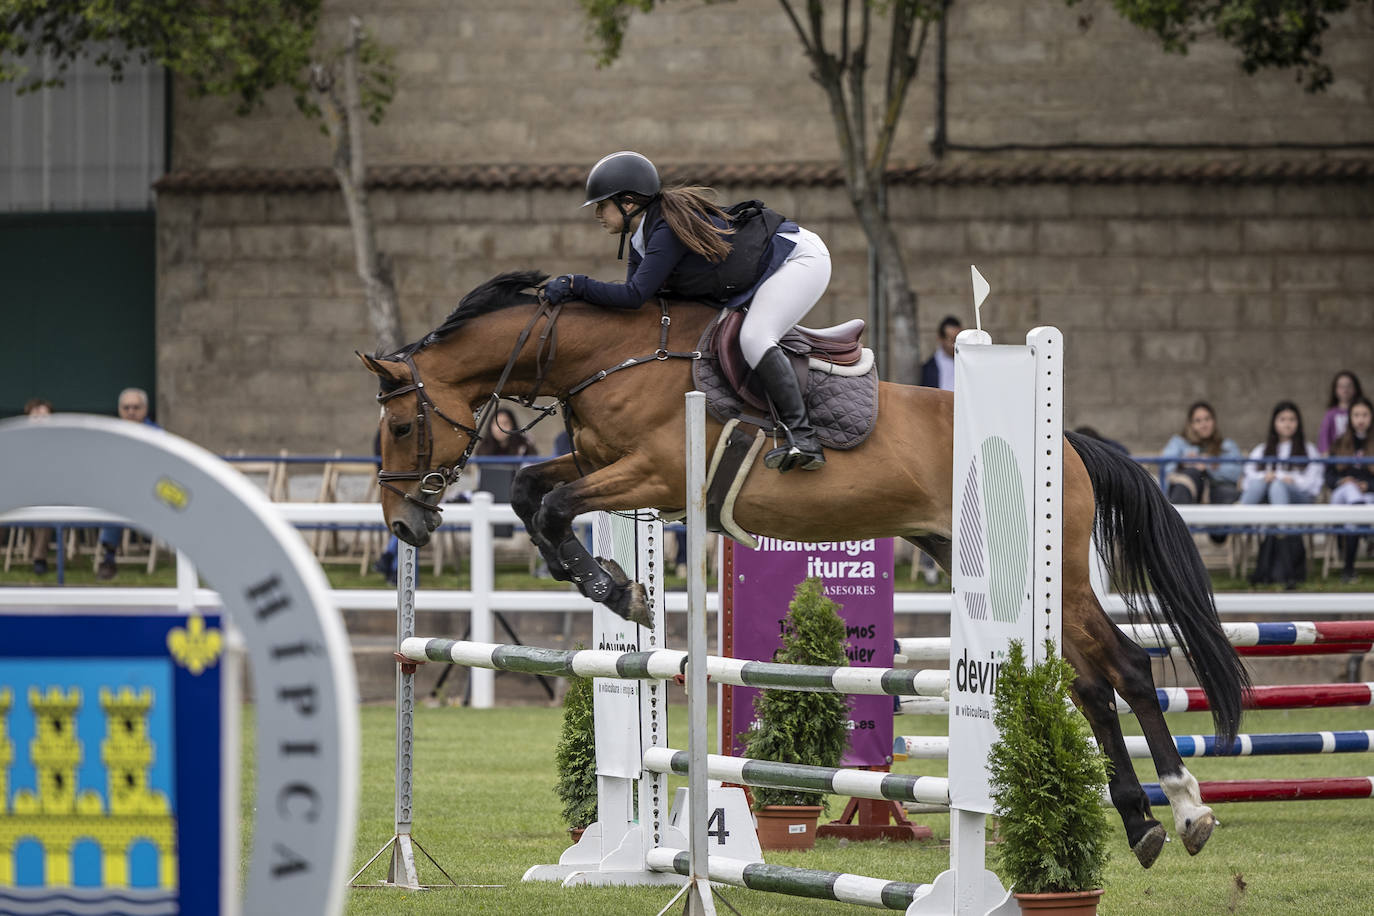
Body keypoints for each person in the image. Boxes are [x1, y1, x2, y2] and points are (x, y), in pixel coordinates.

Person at [543, 150, 833, 473]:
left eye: (601, 205)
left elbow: (634, 295)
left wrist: (575, 285)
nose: (597, 214)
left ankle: (805, 437)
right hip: (769, 269)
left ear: (628, 203)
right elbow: (638, 306)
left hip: (798, 259)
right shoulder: (642, 239)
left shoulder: (665, 230)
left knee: (754, 337)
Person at [1241, 401, 1323, 589]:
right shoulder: (1262, 450)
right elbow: (1248, 479)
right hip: (1270, 503)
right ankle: (1286, 562)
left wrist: (1288, 479)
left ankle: (1237, 520)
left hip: (1300, 501)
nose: (1287, 424)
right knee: (1267, 483)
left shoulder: (1308, 449)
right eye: (1282, 419)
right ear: (1274, 423)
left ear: (1298, 423)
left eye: (1292, 419)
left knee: (1277, 484)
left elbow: (1313, 485)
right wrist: (1267, 477)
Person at [98, 387, 160, 579]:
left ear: (145, 409)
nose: (131, 411)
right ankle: (108, 559)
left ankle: (108, 557)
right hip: (118, 494)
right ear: (119, 410)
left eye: (136, 407)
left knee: (116, 497)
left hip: (150, 494)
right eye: (126, 407)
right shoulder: (111, 436)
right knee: (114, 498)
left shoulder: (158, 436)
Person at [1326, 395, 1374, 584]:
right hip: (1342, 495)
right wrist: (1343, 481)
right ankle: (1367, 535)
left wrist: (1368, 485)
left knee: (1358, 508)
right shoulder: (1339, 443)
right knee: (1351, 492)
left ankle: (1348, 571)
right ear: (1350, 418)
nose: (1361, 419)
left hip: (1369, 496)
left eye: (1365, 415)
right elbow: (1328, 478)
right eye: (1356, 415)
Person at [1160, 401, 1244, 506]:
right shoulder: (1178, 442)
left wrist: (1212, 465)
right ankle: (1178, 519)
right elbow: (1165, 468)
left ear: (1214, 421)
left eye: (1207, 419)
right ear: (1191, 424)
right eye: (1198, 421)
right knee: (1190, 475)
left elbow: (1237, 473)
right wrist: (1183, 463)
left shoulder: (1227, 445)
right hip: (1187, 492)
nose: (1203, 425)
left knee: (1234, 497)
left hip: (1217, 492)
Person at [22, 398, 54, 574]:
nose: (40, 420)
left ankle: (39, 559)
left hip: (48, 495)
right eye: (35, 416)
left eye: (44, 416)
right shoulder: (16, 443)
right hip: (19, 494)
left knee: (44, 510)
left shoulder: (60, 444)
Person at [1318, 370, 1364, 454]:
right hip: (1338, 456)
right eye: (1341, 386)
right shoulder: (1330, 414)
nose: (1345, 390)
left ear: (1355, 388)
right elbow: (1324, 437)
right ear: (1335, 389)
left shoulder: (1363, 411)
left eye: (1349, 386)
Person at [919, 316, 962, 390]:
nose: (956, 345)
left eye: (959, 340)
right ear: (941, 339)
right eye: (952, 340)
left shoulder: (968, 362)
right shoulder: (929, 369)